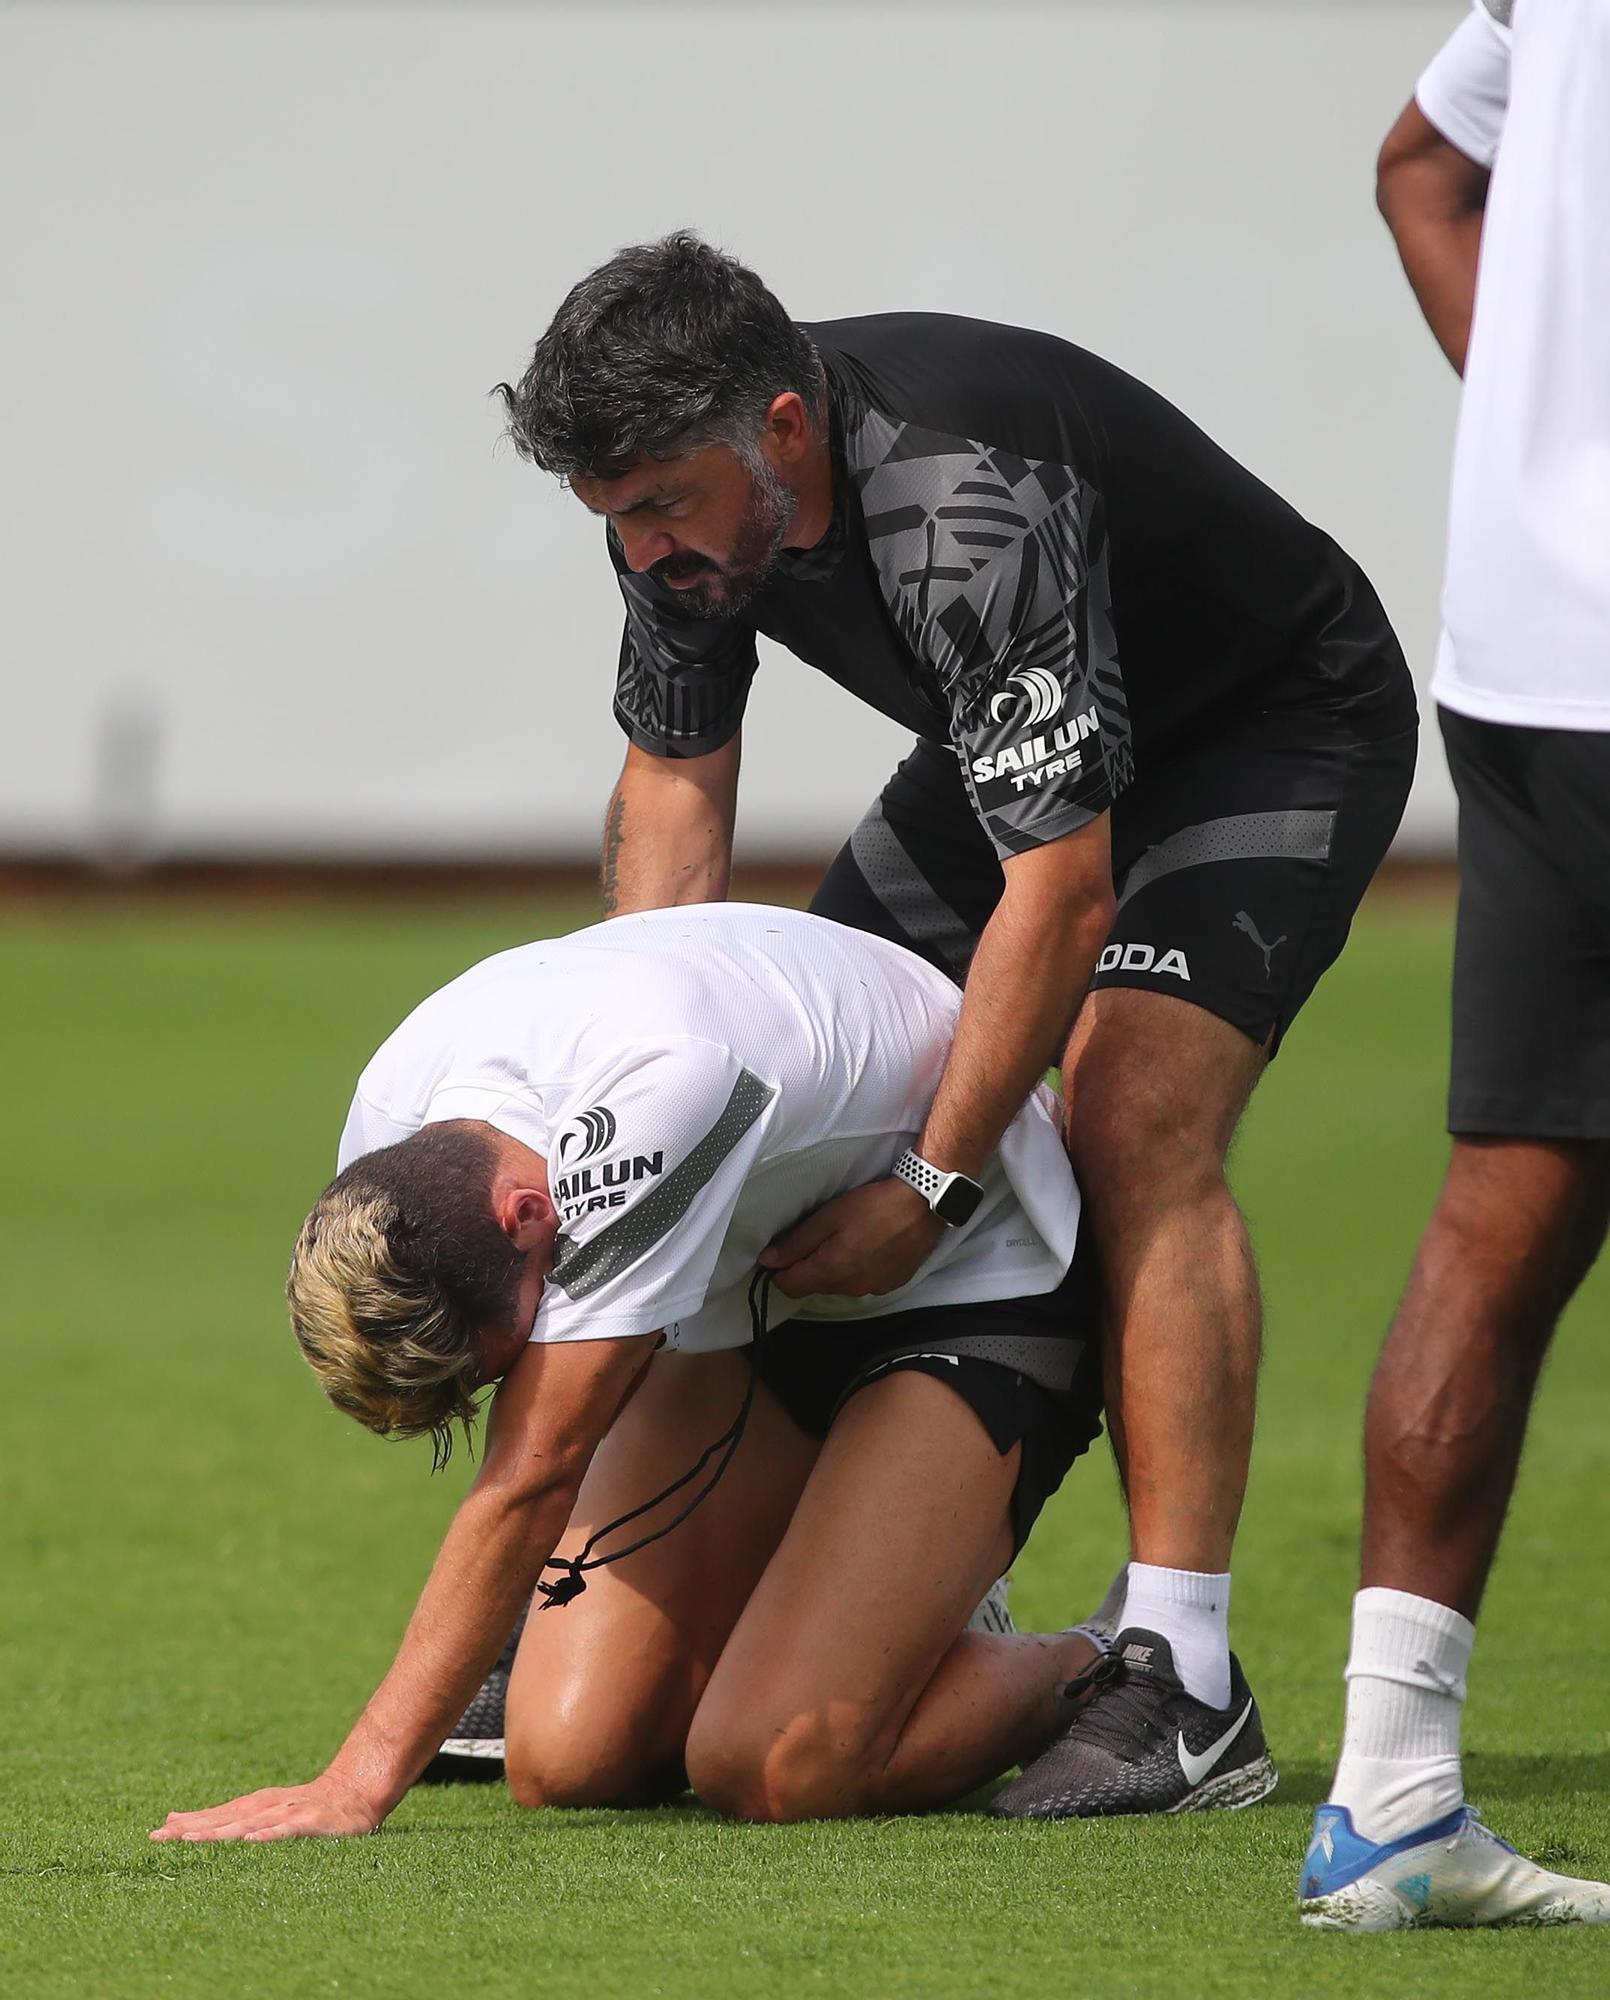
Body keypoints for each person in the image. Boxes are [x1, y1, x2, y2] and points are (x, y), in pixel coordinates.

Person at [492, 234, 1417, 1817]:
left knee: (1126, 1111)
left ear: (781, 430)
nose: (643, 553)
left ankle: (1180, 1675)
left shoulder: (959, 495)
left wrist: (927, 1186)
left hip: (1266, 729)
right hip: (1011, 739)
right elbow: (673, 784)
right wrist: (658, 1077)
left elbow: (1058, 894)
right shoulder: (684, 493)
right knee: (797, 1068)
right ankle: (821, 1582)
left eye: (660, 509)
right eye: (612, 520)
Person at [152, 901, 1191, 1844]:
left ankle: (1101, 1662)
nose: (500, 1394)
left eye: (496, 1364)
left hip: (970, 1270)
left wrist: (358, 1778)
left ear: (526, 1213)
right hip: (759, 1298)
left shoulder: (653, 1097)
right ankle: (871, 1598)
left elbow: (534, 1470)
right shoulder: (391, 1128)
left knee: (775, 1765)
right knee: (570, 1756)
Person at [1299, 0, 1610, 1930]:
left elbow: (1420, 167)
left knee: (1502, 1209)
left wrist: (1539, 465)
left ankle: (1392, 1796)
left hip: (1533, 660)